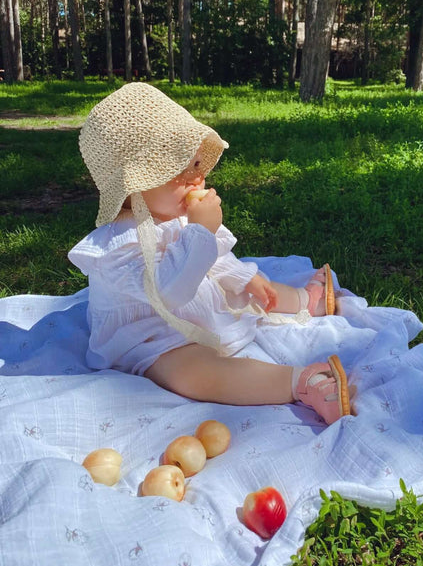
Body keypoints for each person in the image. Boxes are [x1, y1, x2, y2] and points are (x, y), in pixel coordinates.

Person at [68, 83, 353, 425]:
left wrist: (245, 277)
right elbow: (169, 293)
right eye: (178, 170)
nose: (197, 177)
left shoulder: (174, 215)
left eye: (198, 163)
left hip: (193, 309)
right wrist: (200, 232)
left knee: (254, 288)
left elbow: (215, 261)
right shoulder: (118, 246)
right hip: (147, 337)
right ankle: (300, 383)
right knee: (192, 374)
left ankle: (308, 302)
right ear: (133, 186)